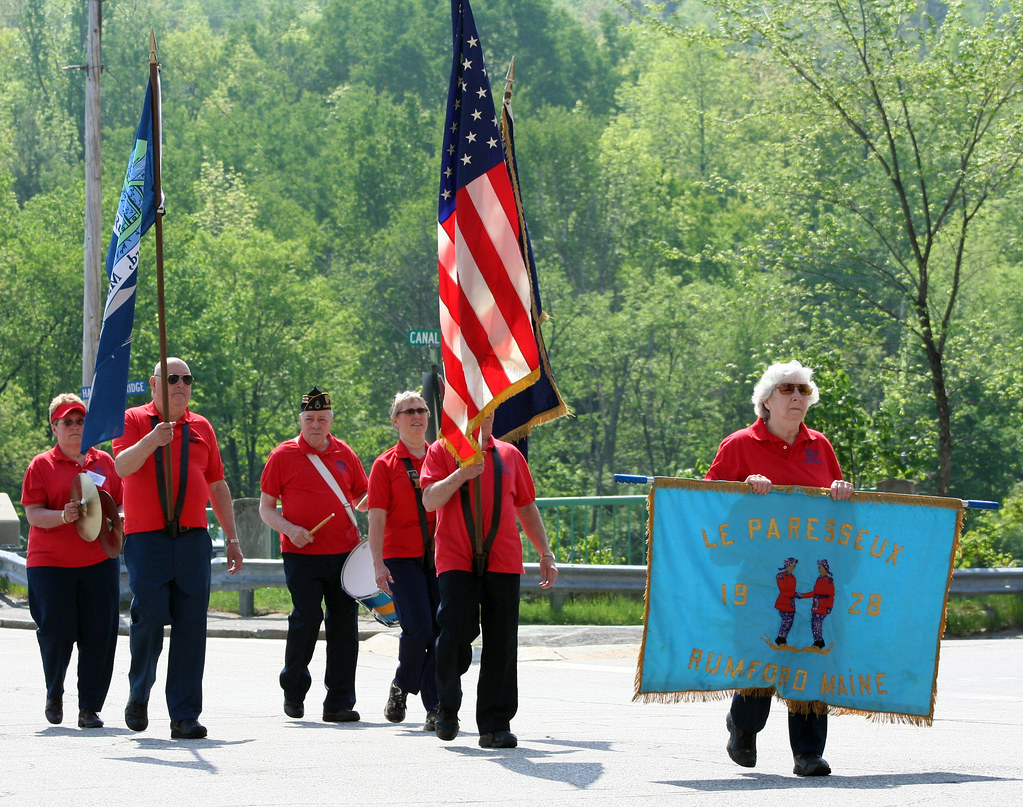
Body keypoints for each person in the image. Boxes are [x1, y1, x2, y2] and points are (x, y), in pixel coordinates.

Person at [705, 360, 853, 777]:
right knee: (761, 654)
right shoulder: (738, 444)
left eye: (803, 390)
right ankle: (743, 727)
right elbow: (706, 501)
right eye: (787, 389)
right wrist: (742, 491)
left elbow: (837, 511)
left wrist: (841, 491)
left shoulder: (820, 445)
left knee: (811, 658)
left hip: (813, 572)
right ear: (766, 401)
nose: (796, 397)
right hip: (756, 574)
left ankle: (808, 753)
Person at [113, 357, 244, 740]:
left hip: (192, 540)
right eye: (171, 379)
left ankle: (184, 714)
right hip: (147, 538)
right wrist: (153, 439)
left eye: (186, 379)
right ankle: (139, 693)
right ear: (154, 385)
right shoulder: (135, 419)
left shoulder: (202, 426)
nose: (180, 385)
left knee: (191, 627)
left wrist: (232, 539)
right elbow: (121, 466)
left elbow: (217, 486)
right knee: (150, 618)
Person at [420, 409, 558, 749]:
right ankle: (446, 709)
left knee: (501, 642)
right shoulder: (442, 450)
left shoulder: (510, 454)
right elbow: (429, 500)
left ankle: (496, 724)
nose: (486, 418)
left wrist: (546, 553)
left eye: (492, 411)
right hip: (455, 558)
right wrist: (460, 475)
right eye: (478, 411)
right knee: (453, 633)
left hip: (503, 560)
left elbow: (526, 507)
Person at [259, 386, 368, 723]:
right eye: (310, 419)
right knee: (306, 619)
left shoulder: (345, 453)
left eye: (322, 419)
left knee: (344, 628)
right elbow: (266, 509)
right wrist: (291, 529)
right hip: (301, 553)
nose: (316, 425)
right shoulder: (282, 455)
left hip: (344, 555)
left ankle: (338, 703)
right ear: (301, 420)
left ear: (331, 420)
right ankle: (293, 689)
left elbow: (364, 498)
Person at [21, 394, 123, 729]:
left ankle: (89, 707)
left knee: (99, 634)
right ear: (54, 427)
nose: (75, 427)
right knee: (57, 631)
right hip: (51, 564)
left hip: (97, 560)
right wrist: (64, 516)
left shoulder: (103, 462)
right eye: (68, 422)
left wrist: (117, 522)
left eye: (80, 421)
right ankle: (54, 691)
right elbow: (34, 514)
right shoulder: (41, 465)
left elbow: (119, 505)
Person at [367, 391, 439, 731]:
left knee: (439, 633)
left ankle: (434, 706)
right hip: (401, 558)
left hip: (440, 557)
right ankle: (403, 687)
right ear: (395, 421)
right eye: (407, 411)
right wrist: (378, 563)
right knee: (419, 629)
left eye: (422, 409)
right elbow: (376, 518)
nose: (416, 415)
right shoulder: (385, 464)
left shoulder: (441, 457)